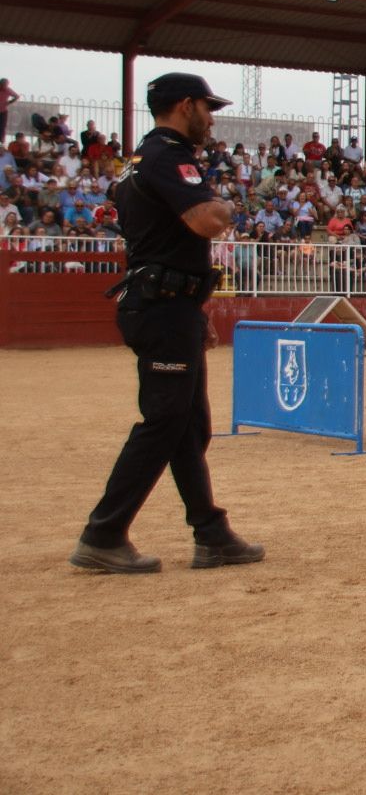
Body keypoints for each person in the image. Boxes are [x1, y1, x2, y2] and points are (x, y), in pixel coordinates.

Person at [70, 73, 263, 573]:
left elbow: (161, 241)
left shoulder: (142, 160)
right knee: (163, 422)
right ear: (184, 106)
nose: (211, 117)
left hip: (168, 304)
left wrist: (193, 312)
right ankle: (104, 533)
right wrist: (226, 206)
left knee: (187, 425)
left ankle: (212, 533)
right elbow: (204, 220)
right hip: (162, 306)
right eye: (207, 106)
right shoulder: (168, 155)